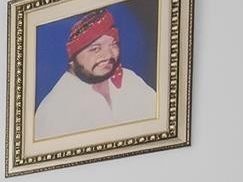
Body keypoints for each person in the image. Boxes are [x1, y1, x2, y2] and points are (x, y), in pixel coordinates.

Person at [31, 8, 157, 139]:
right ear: (71, 59)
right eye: (95, 49)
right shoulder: (54, 109)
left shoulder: (130, 80)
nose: (108, 55)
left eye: (113, 44)